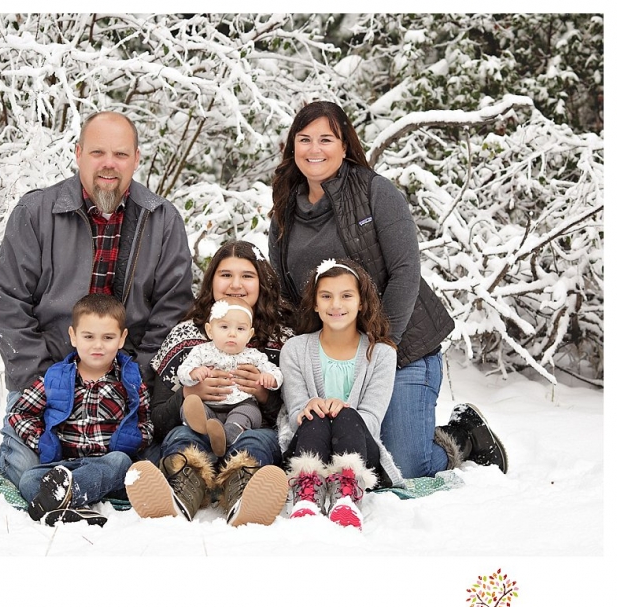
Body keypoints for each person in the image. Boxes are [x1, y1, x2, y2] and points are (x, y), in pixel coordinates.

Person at [268, 100, 507, 478]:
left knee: (405, 464)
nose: (315, 149)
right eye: (305, 139)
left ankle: (464, 436)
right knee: (345, 452)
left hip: (402, 347)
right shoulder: (285, 208)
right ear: (292, 146)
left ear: (345, 145)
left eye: (326, 139)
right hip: (335, 357)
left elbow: (406, 270)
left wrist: (383, 346)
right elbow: (286, 292)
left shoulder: (375, 192)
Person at [0, 110, 193, 488]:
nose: (109, 164)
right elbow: (5, 299)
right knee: (24, 470)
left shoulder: (161, 220)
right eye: (98, 153)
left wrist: (136, 378)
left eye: (121, 154)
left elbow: (173, 309)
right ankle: (68, 481)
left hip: (124, 384)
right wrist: (44, 378)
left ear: (137, 158)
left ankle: (78, 482)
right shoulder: (35, 213)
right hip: (46, 374)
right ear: (78, 153)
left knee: (142, 467)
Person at [124, 240, 292, 527]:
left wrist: (264, 396)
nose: (235, 284)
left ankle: (243, 497)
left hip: (249, 435)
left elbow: (292, 419)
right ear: (212, 280)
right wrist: (189, 393)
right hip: (197, 433)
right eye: (225, 274)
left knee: (259, 441)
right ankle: (180, 495)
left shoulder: (284, 339)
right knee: (181, 437)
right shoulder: (185, 336)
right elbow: (158, 419)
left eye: (247, 276)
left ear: (262, 281)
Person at [7, 294, 153, 526]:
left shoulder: (129, 381)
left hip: (107, 464)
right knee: (28, 480)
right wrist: (41, 441)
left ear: (122, 338)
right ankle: (72, 503)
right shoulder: (55, 379)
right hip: (63, 465)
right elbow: (19, 413)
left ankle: (67, 495)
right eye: (88, 336)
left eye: (108, 337)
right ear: (73, 336)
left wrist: (136, 438)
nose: (98, 345)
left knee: (121, 462)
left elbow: (145, 420)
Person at [280, 258, 404, 530]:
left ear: (361, 302)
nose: (335, 305)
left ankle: (347, 498)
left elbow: (372, 420)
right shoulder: (294, 350)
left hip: (360, 451)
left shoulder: (381, 353)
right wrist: (310, 406)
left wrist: (344, 409)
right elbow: (293, 418)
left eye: (346, 296)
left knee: (347, 417)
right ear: (315, 303)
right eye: (326, 296)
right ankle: (306, 499)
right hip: (308, 446)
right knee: (314, 415)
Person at [178, 296, 283, 458]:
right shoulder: (202, 351)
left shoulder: (253, 355)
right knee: (190, 406)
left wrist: (271, 378)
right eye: (224, 327)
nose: (232, 334)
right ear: (210, 330)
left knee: (248, 413)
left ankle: (226, 436)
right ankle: (204, 428)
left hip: (241, 404)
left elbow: (275, 371)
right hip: (210, 406)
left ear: (250, 334)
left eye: (240, 329)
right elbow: (183, 371)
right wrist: (193, 374)